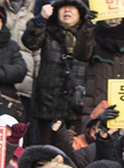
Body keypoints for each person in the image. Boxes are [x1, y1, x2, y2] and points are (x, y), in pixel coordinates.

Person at [21, 0, 93, 147]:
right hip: (48, 101)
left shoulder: (89, 34)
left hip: (78, 102)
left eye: (72, 7)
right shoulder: (48, 30)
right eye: (63, 7)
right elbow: (31, 42)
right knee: (47, 147)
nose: (67, 11)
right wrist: (40, 19)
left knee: (77, 147)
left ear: (80, 11)